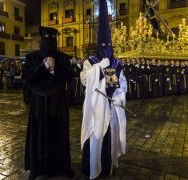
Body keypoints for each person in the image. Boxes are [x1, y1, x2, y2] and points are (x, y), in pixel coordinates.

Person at [80, 0, 127, 179]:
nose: (106, 49)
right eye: (103, 46)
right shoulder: (90, 62)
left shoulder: (116, 63)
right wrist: (100, 67)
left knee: (109, 136)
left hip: (111, 107)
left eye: (109, 46)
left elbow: (121, 84)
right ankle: (92, 167)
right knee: (96, 134)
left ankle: (107, 166)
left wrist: (118, 97)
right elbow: (85, 80)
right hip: (96, 107)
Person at [23, 26, 75, 180]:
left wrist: (54, 70)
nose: (49, 41)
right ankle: (36, 168)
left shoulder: (63, 58)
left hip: (58, 103)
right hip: (40, 103)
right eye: (46, 38)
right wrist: (43, 67)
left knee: (59, 135)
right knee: (38, 135)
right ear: (42, 39)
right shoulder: (31, 58)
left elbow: (69, 76)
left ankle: (62, 167)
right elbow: (27, 77)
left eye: (53, 38)